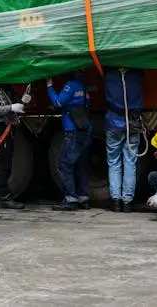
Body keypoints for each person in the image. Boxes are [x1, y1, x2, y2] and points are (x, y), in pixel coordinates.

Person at [47, 73, 92, 211]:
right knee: (81, 165)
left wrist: (50, 87)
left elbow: (58, 102)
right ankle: (83, 198)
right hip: (85, 130)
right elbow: (88, 103)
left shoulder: (70, 85)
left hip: (73, 131)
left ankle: (71, 199)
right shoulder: (82, 84)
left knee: (64, 165)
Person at [104, 68, 145, 212]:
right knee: (130, 163)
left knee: (114, 163)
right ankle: (127, 202)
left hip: (113, 123)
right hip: (132, 124)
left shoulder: (109, 74)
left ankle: (115, 201)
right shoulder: (138, 73)